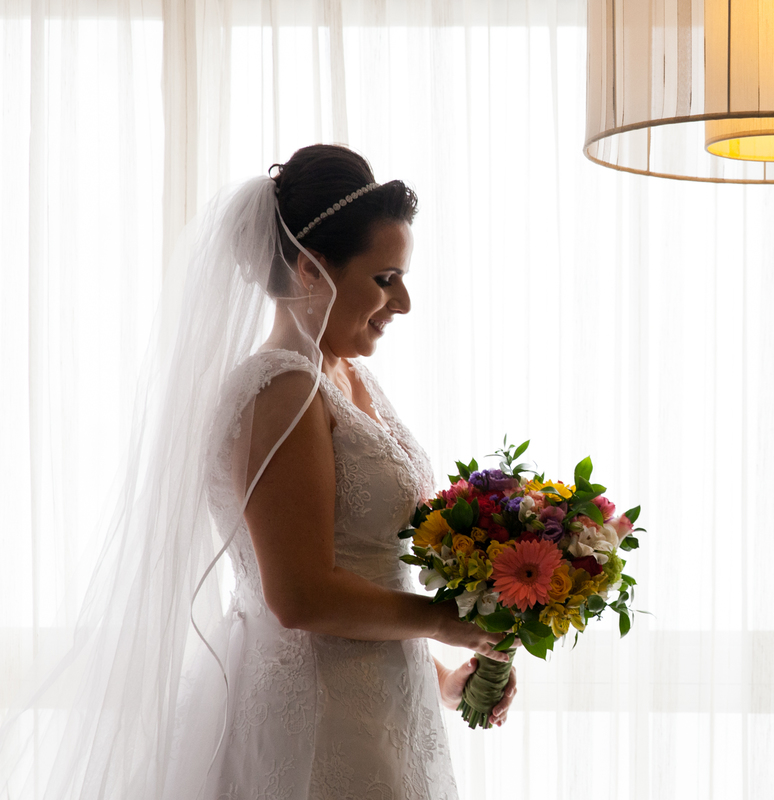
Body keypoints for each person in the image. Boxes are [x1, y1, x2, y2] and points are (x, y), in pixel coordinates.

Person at [0, 144, 512, 800]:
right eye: (385, 278)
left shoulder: (350, 375)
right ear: (310, 268)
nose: (404, 301)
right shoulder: (282, 392)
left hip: (385, 702)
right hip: (319, 719)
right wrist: (443, 618)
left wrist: (442, 676)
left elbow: (364, 570)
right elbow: (300, 596)